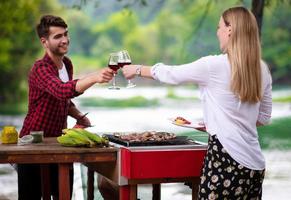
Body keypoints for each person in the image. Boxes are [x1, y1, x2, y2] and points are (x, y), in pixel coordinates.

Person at [122, 6, 272, 199]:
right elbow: (262, 118)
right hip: (255, 165)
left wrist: (137, 69)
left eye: (219, 27)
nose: (217, 33)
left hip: (226, 160)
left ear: (230, 30)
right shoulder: (263, 69)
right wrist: (215, 123)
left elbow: (172, 74)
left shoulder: (213, 65)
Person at [18, 15, 114, 200]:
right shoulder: (40, 68)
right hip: (33, 144)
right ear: (44, 42)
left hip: (59, 142)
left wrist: (78, 115)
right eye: (58, 36)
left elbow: (63, 99)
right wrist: (94, 77)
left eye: (66, 34)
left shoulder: (67, 64)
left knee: (63, 195)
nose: (64, 40)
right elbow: (61, 91)